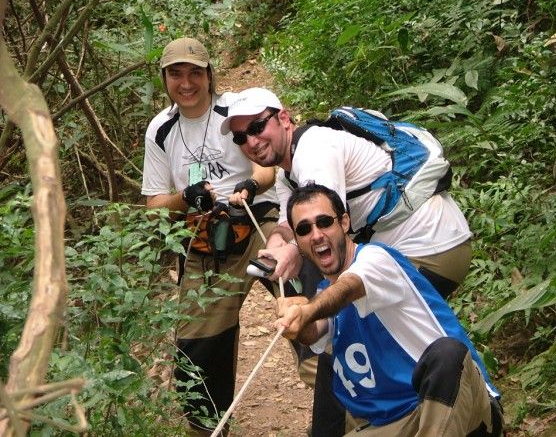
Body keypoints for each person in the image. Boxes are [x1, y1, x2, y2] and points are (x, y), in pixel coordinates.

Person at [221, 87, 473, 434]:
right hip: (406, 253)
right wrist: (277, 248)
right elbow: (287, 225)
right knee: (363, 340)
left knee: (343, 335)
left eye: (257, 127)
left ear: (283, 118)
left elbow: (322, 229)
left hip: (431, 248)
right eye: (240, 137)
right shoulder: (287, 174)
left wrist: (304, 287)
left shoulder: (315, 149)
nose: (251, 141)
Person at [275, 183, 504, 436]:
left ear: (344, 223)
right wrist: (297, 313)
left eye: (324, 222)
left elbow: (349, 288)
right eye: (304, 229)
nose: (316, 234)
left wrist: (308, 310)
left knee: (447, 353)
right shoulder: (322, 293)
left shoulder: (376, 259)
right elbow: (313, 332)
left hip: (460, 406)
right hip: (396, 424)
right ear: (297, 241)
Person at [141, 37, 279, 436]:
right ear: (165, 78)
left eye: (195, 73)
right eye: (176, 74)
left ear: (209, 75)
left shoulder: (233, 111)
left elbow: (268, 167)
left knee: (298, 285)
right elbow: (154, 203)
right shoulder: (161, 129)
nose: (187, 83)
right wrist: (185, 197)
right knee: (197, 343)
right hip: (203, 238)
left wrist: (249, 188)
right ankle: (208, 427)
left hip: (255, 221)